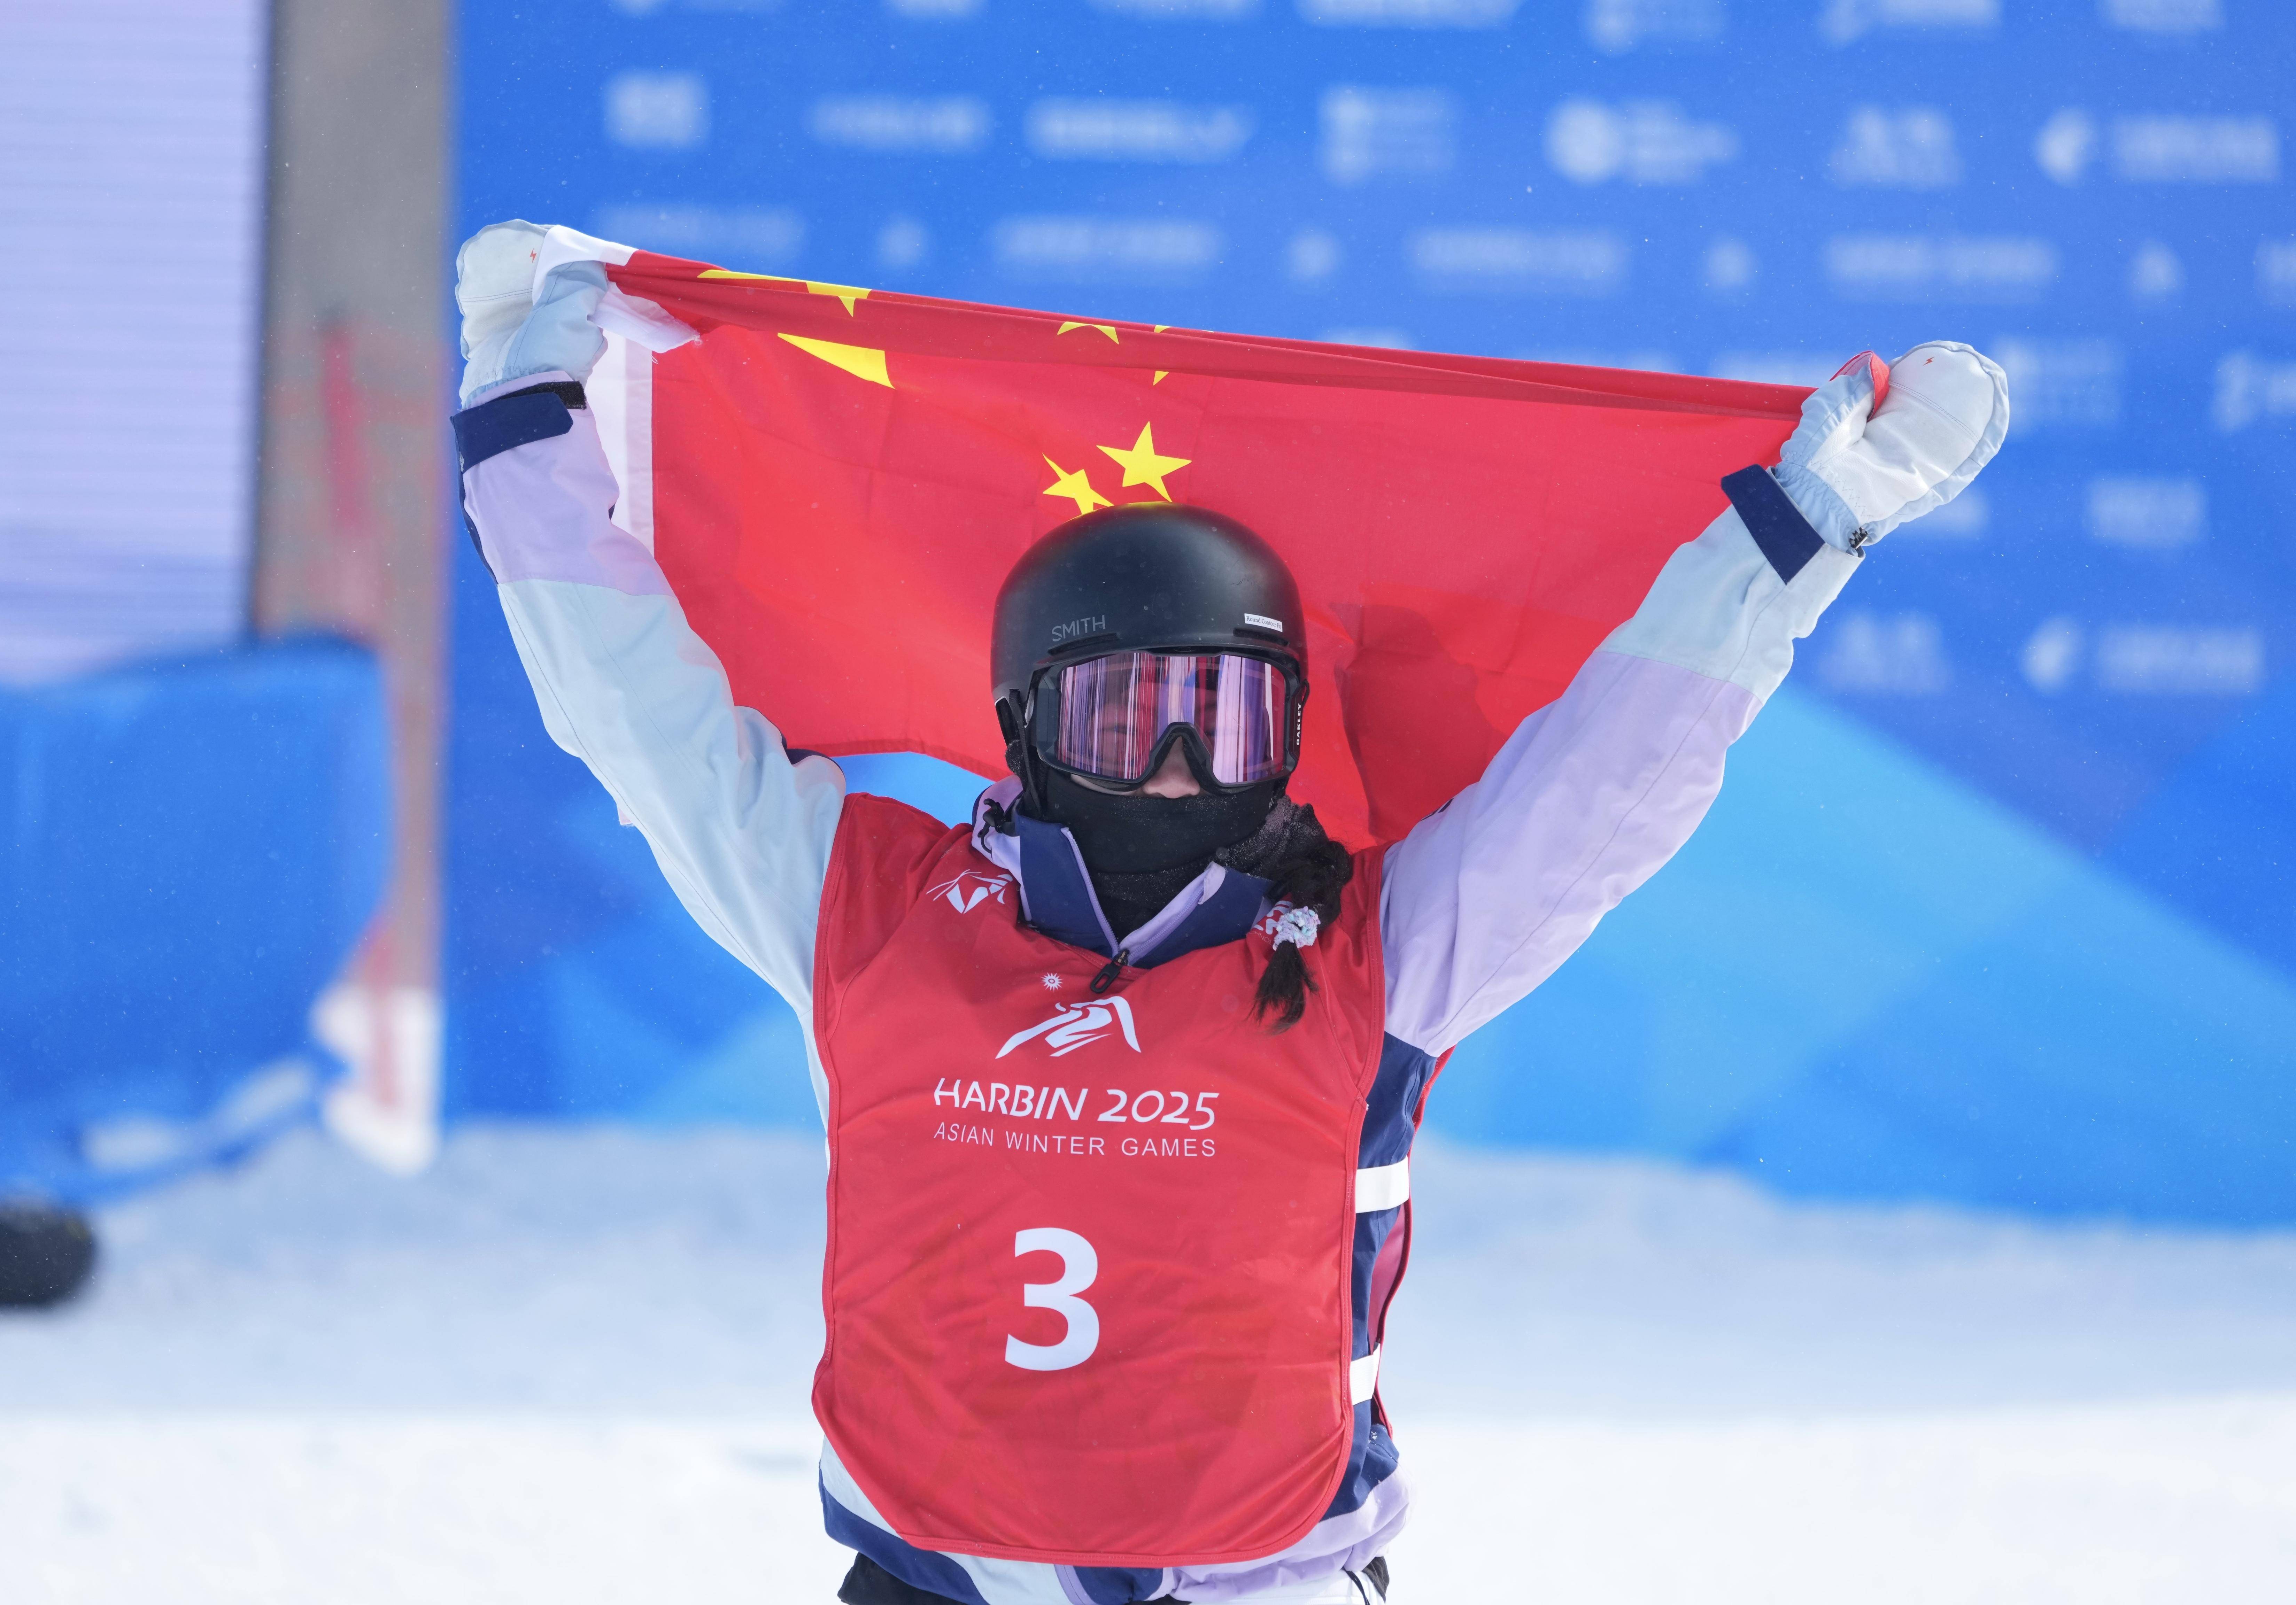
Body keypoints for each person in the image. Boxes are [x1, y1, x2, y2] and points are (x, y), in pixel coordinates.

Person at [450, 220, 2007, 1604]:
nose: (1187, 765)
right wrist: (527, 443)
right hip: (935, 1568)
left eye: (1232, 718)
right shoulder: (863, 913)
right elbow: (641, 724)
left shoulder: (1378, 956)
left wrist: (1802, 529)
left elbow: (1604, 789)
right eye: (1136, 716)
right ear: (1028, 722)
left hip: (1263, 1568)